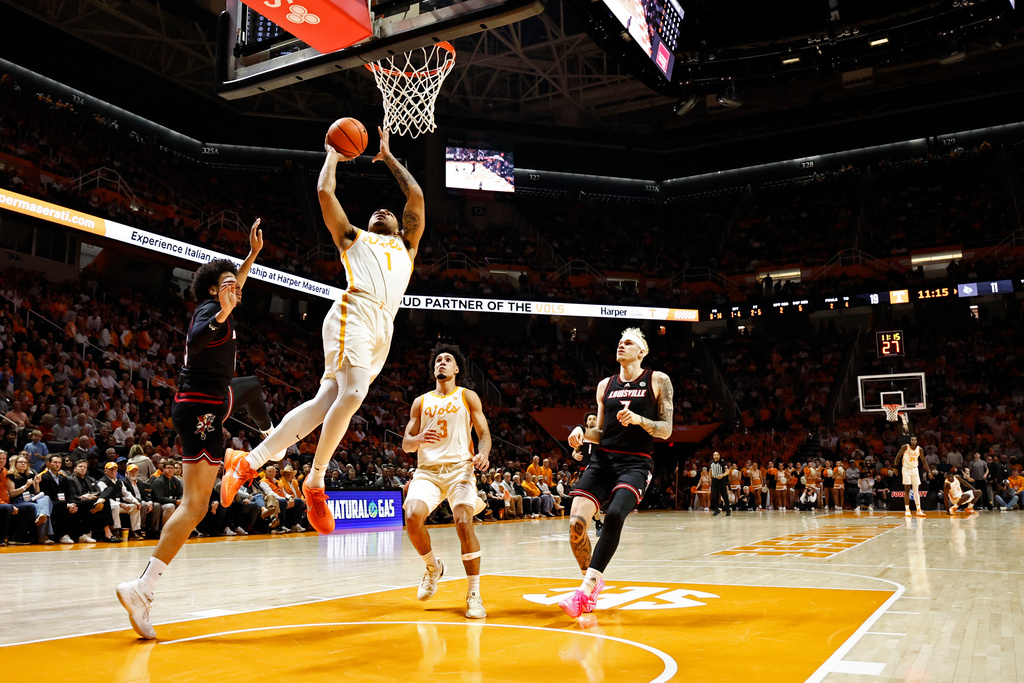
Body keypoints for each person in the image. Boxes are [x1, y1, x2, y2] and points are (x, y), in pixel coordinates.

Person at [220, 126, 427, 536]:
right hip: (356, 309)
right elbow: (325, 195)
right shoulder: (354, 237)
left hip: (383, 327)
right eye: (376, 212)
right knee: (352, 394)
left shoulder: (407, 245)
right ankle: (315, 482)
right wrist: (333, 153)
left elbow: (416, 198)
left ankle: (246, 462)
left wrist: (387, 158)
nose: (383, 212)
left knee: (325, 402)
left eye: (388, 211)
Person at [116, 218, 264, 640]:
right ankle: (143, 588)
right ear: (215, 291)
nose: (238, 287)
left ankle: (264, 444)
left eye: (238, 284)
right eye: (230, 284)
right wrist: (222, 308)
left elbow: (233, 285)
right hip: (201, 408)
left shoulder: (222, 303)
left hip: (208, 403)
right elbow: (198, 338)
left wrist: (250, 257)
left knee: (249, 389)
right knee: (195, 506)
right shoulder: (208, 312)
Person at [561, 328, 673, 618]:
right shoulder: (604, 385)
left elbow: (666, 429)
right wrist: (581, 432)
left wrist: (639, 419)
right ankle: (593, 580)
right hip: (603, 461)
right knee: (575, 525)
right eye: (619, 342)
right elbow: (600, 431)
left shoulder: (658, 380)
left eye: (628, 343)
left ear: (641, 351)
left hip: (636, 462)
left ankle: (585, 590)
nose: (621, 346)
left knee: (613, 515)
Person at [401, 344, 491, 618]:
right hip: (427, 471)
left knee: (463, 522)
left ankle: (473, 593)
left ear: (456, 369)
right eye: (438, 359)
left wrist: (483, 453)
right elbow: (406, 444)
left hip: (459, 470)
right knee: (412, 516)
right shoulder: (421, 401)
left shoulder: (467, 396)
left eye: (447, 359)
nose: (442, 362)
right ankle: (433, 567)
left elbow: (484, 433)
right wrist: (415, 440)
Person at [896, 435, 928, 517]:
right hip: (906, 469)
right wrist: (895, 466)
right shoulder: (905, 447)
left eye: (914, 440)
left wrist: (929, 472)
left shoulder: (919, 449)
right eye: (912, 440)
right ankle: (907, 509)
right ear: (910, 441)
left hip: (914, 469)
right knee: (907, 489)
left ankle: (919, 509)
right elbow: (899, 456)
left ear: (917, 441)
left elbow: (924, 461)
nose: (913, 441)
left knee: (916, 490)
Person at [709, 452, 731, 517]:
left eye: (717, 455)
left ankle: (728, 509)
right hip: (714, 480)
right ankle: (716, 509)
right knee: (713, 495)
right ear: (713, 456)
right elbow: (710, 470)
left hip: (721, 481)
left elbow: (727, 471)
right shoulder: (711, 463)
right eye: (715, 455)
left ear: (719, 456)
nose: (716, 456)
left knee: (724, 496)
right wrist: (710, 478)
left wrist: (722, 475)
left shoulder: (722, 462)